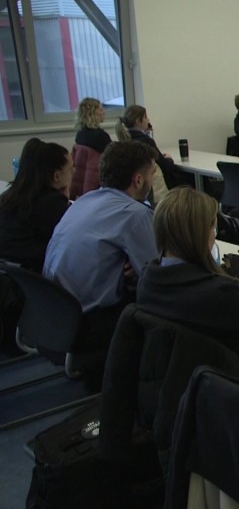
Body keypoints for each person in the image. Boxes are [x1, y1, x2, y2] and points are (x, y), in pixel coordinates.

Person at [136, 186, 239, 375]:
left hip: (169, 382)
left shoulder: (147, 280)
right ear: (201, 234)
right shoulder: (217, 293)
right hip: (221, 387)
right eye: (213, 228)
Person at [43, 142, 160, 380]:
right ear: (138, 180)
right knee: (172, 310)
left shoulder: (84, 202)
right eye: (152, 175)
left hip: (52, 315)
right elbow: (158, 279)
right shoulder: (134, 214)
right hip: (88, 326)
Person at [0, 139, 72, 271]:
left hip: (11, 275)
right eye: (70, 169)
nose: (73, 172)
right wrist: (65, 194)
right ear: (56, 176)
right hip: (35, 275)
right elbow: (71, 240)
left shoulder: (9, 196)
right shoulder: (51, 204)